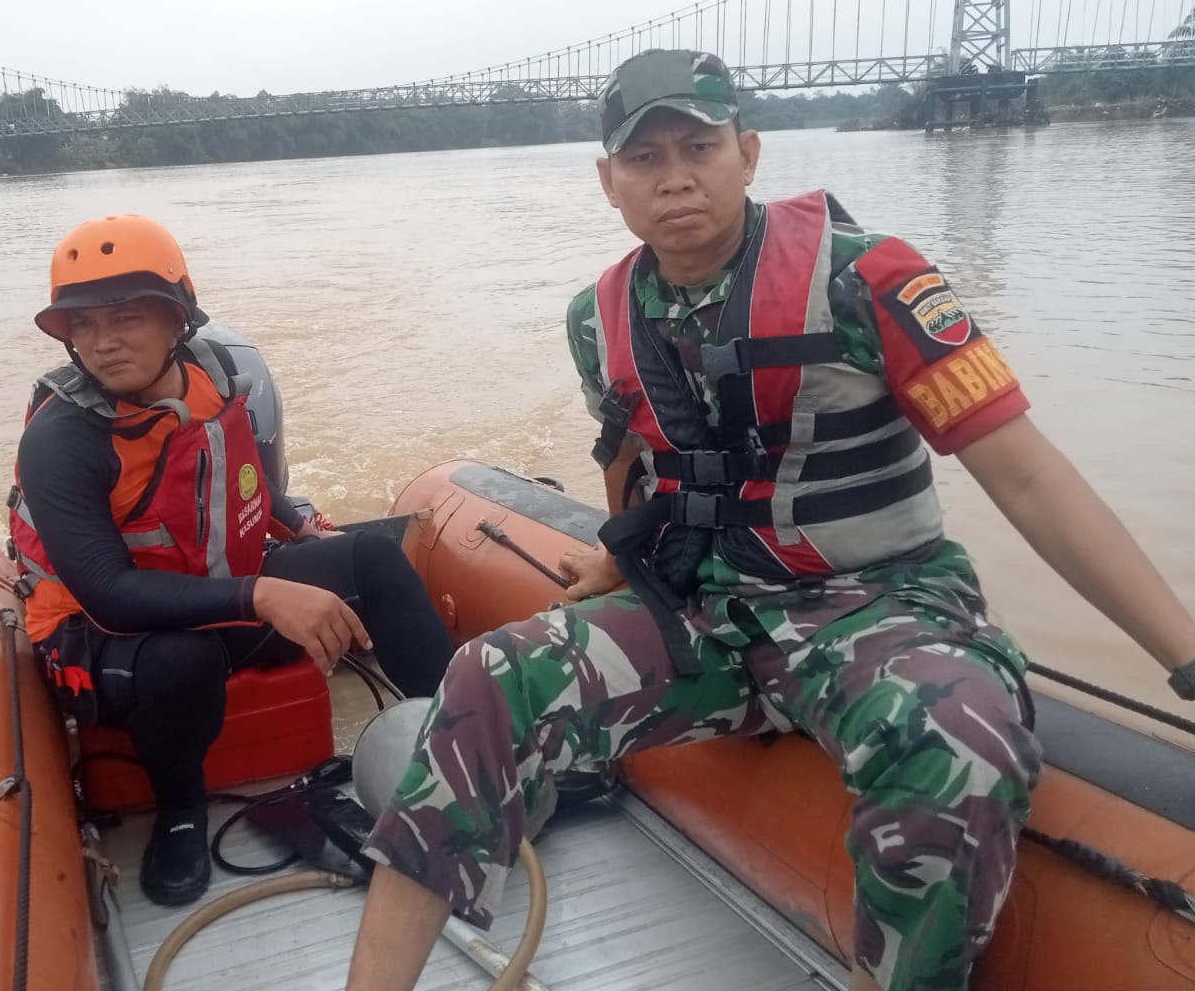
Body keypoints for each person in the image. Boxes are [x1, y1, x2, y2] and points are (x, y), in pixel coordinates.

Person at [346, 49, 1195, 991]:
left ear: (748, 154)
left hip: (882, 605)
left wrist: (1183, 655)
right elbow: (634, 460)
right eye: (644, 157)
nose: (675, 177)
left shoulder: (871, 280)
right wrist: (620, 564)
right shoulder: (598, 318)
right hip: (708, 613)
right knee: (489, 672)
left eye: (699, 147)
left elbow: (1028, 477)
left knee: (954, 742)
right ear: (607, 181)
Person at [8, 214, 452, 907]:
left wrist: (296, 527)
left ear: (177, 318)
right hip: (99, 635)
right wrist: (263, 595)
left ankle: (468, 746)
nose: (103, 342)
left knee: (372, 559)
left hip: (210, 592)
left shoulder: (212, 376)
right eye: (83, 324)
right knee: (182, 659)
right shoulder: (61, 439)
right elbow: (109, 594)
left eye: (125, 317)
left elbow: (237, 476)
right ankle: (180, 809)